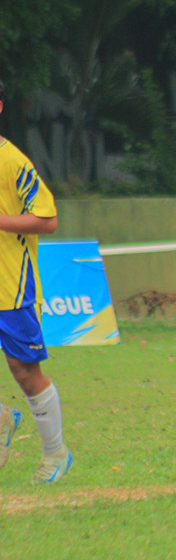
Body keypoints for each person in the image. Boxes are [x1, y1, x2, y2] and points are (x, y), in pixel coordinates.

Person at [0, 77, 72, 484]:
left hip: (10, 285)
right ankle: (2, 418)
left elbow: (48, 218)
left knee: (24, 370)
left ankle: (55, 452)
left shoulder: (12, 162)